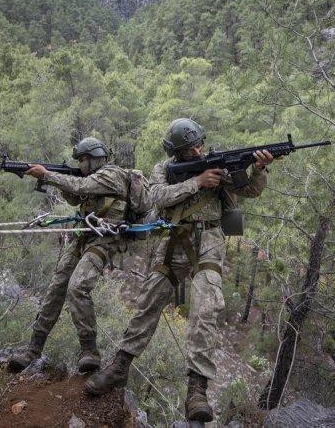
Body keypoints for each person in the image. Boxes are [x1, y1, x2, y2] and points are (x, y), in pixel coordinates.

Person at [84, 118, 273, 422]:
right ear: (177, 152)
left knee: (206, 306)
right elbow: (156, 196)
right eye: (189, 149)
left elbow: (249, 190)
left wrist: (259, 170)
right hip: (173, 241)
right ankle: (120, 366)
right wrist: (197, 183)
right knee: (148, 301)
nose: (198, 151)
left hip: (209, 242)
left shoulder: (217, 163)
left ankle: (197, 390)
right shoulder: (164, 169)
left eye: (199, 144)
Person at [7, 137, 148, 374]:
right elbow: (75, 196)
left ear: (96, 158)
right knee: (57, 287)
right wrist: (54, 179)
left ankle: (89, 351)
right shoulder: (89, 177)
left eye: (84, 159)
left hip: (105, 240)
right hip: (83, 236)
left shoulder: (111, 175)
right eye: (79, 161)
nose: (81, 164)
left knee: (77, 286)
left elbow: (81, 187)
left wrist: (47, 175)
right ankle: (33, 349)